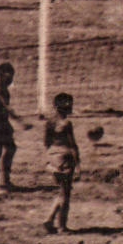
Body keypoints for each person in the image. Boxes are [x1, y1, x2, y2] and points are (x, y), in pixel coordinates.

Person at [0, 62, 28, 195]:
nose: (12, 80)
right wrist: (20, 121)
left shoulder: (4, 89)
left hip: (3, 121)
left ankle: (6, 181)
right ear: (2, 75)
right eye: (10, 76)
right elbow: (6, 107)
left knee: (11, 148)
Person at [42, 92, 79, 234]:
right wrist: (78, 164)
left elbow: (46, 143)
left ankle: (49, 219)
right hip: (65, 159)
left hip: (53, 159)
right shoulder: (67, 124)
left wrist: (52, 157)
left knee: (61, 192)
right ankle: (62, 226)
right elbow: (73, 145)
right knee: (65, 195)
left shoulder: (49, 122)